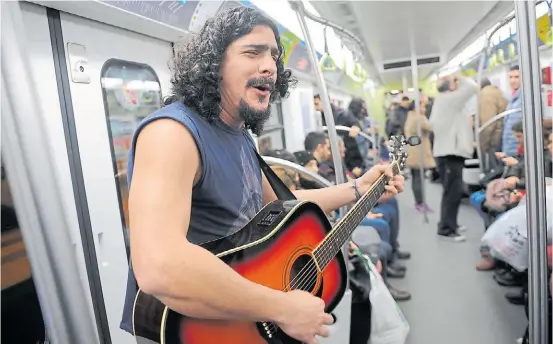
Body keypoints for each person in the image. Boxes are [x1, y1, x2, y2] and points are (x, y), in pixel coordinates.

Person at [120, 7, 405, 344]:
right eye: (252, 52)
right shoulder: (173, 133)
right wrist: (281, 307)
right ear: (214, 65)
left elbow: (278, 208)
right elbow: (160, 267)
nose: (270, 66)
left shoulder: (238, 133)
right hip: (196, 328)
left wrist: (358, 188)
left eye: (273, 55)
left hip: (243, 313)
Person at [429, 73, 478, 241]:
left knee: (453, 191)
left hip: (452, 152)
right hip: (450, 153)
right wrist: (458, 75)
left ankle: (451, 223)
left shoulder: (447, 101)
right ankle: (446, 228)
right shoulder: (448, 100)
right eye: (454, 82)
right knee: (452, 192)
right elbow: (472, 87)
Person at [404, 100, 435, 212]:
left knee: (416, 177)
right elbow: (431, 127)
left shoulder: (410, 116)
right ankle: (420, 203)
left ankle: (419, 202)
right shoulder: (419, 118)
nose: (425, 109)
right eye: (423, 106)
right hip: (419, 152)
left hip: (414, 150)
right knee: (419, 179)